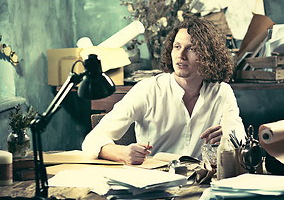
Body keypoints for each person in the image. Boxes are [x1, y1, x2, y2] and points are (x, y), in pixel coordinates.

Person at [82, 16, 246, 164]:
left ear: (208, 55)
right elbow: (92, 140)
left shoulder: (221, 92)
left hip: (200, 183)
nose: (181, 55)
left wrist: (229, 137)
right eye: (177, 46)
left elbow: (240, 137)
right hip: (154, 183)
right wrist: (123, 153)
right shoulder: (148, 90)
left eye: (192, 48)